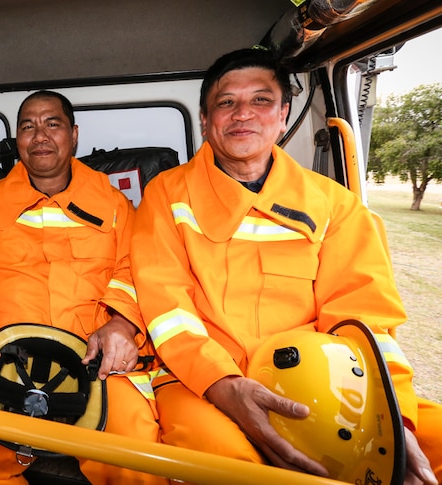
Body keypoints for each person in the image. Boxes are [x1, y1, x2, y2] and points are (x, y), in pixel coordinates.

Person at [130, 47, 441, 484]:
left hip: (320, 383)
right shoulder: (165, 195)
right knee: (224, 465)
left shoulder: (337, 205)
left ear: (283, 114)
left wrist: (395, 419)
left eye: (261, 100)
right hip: (200, 381)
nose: (243, 114)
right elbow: (167, 310)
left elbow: (367, 323)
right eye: (226, 102)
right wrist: (222, 385)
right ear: (205, 120)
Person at [0, 90, 161, 484]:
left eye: (52, 124)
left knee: (137, 465)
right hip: (2, 362)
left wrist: (122, 324)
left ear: (74, 135)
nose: (40, 136)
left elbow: (141, 269)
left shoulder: (117, 206)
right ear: (16, 140)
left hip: (98, 367)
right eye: (28, 126)